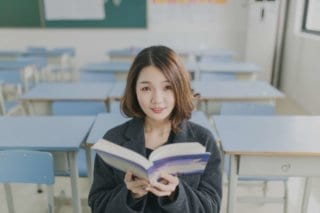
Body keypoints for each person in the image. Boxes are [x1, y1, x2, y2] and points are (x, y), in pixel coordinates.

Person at [88, 45, 222, 213]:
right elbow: (97, 205)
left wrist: (176, 194)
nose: (157, 100)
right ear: (134, 91)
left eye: (168, 87)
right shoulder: (113, 140)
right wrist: (131, 195)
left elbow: (211, 207)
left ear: (180, 88)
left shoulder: (203, 141)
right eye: (146, 88)